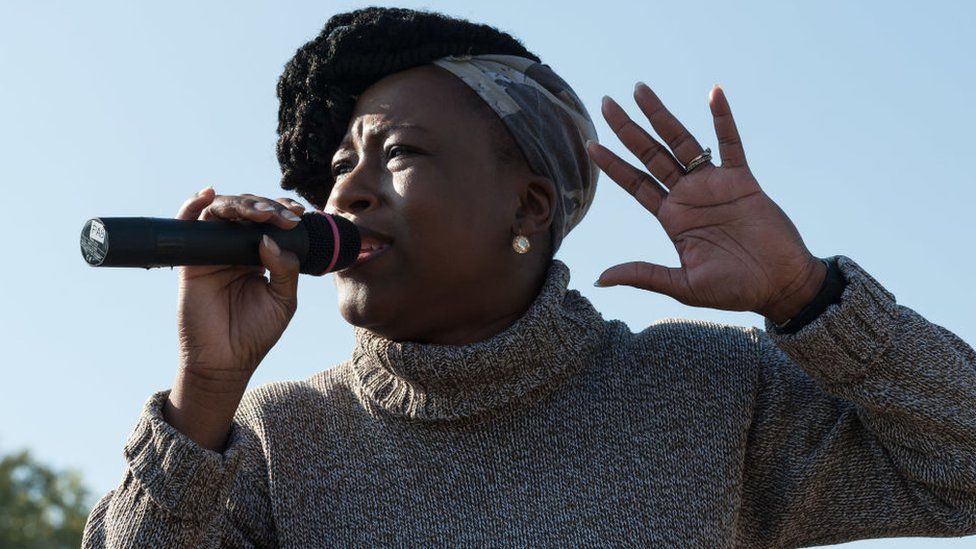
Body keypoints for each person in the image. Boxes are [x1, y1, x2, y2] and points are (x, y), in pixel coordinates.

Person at [82, 7, 976, 548]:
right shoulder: (275, 439)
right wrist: (203, 392)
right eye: (340, 164)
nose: (344, 186)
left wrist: (806, 296)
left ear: (528, 208)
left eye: (398, 152)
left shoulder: (703, 390)